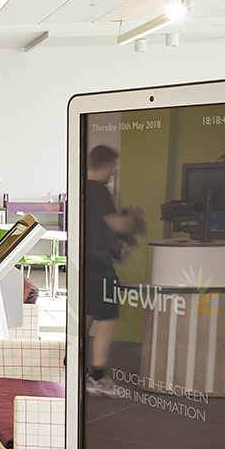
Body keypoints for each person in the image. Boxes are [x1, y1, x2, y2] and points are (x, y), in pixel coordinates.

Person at [84, 145, 144, 397]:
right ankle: (97, 376)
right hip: (100, 266)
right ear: (106, 165)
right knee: (106, 320)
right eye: (113, 167)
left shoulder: (81, 188)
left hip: (84, 262)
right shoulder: (98, 190)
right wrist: (133, 216)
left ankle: (74, 367)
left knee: (87, 315)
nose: (113, 172)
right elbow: (117, 225)